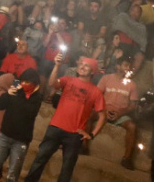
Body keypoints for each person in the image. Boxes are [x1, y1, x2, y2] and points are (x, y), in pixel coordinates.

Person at [22, 54, 106, 182]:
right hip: (55, 127)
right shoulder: (68, 80)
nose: (82, 67)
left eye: (86, 66)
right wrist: (56, 65)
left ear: (93, 71)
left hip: (74, 134)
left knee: (67, 168)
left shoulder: (96, 92)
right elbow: (51, 83)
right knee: (40, 159)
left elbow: (102, 116)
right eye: (81, 64)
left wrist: (91, 135)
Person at [0, 68, 43, 182]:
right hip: (4, 136)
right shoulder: (13, 92)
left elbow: (29, 112)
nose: (24, 84)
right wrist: (7, 94)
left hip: (21, 141)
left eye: (27, 82)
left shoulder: (37, 98)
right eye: (23, 81)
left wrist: (17, 96)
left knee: (12, 175)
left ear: (34, 83)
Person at [96, 55, 140, 170]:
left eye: (129, 66)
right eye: (125, 65)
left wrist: (120, 113)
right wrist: (104, 110)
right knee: (88, 114)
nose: (128, 68)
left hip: (121, 114)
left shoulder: (132, 84)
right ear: (117, 66)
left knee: (132, 126)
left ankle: (126, 159)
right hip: (103, 111)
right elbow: (96, 96)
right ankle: (83, 145)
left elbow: (133, 105)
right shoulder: (106, 78)